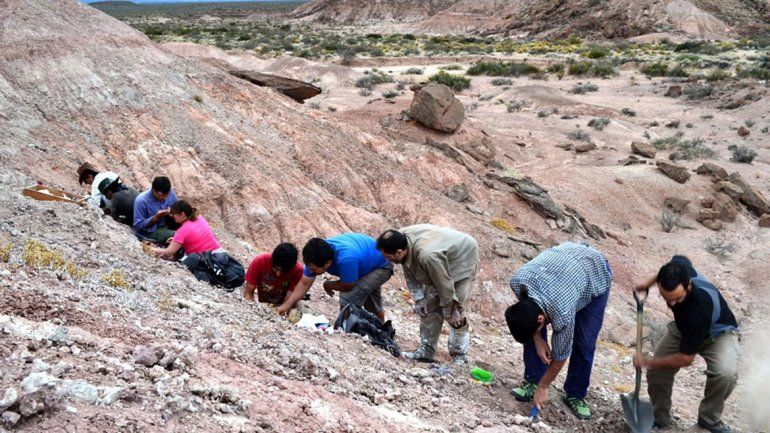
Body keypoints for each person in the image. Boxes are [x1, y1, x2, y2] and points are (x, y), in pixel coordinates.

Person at [505, 241, 612, 420]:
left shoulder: (562, 312)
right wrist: (537, 339)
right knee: (526, 321)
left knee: (584, 341)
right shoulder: (519, 281)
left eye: (537, 325)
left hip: (594, 270)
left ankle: (575, 394)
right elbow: (528, 310)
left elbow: (561, 354)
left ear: (541, 320)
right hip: (562, 267)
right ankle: (533, 379)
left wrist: (545, 387)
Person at [633, 256, 739, 433]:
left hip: (718, 334)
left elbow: (685, 359)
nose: (672, 303)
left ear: (689, 285)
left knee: (725, 373)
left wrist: (647, 361)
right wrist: (646, 284)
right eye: (666, 299)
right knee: (657, 374)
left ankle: (708, 419)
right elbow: (665, 269)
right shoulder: (678, 269)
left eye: (676, 299)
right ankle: (659, 417)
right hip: (683, 329)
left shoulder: (699, 308)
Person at [376, 224, 478, 365]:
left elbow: (443, 283)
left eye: (389, 257)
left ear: (399, 252)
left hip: (462, 256)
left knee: (456, 314)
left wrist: (450, 308)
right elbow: (409, 266)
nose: (388, 260)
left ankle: (459, 356)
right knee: (429, 307)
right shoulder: (398, 238)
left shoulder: (428, 256)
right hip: (439, 252)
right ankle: (426, 351)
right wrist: (419, 298)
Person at [275, 233, 393, 321]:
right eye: (309, 267)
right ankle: (382, 328)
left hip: (382, 265)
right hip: (367, 260)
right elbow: (304, 283)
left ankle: (346, 329)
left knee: (348, 297)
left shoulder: (345, 259)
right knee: (370, 299)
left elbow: (348, 286)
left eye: (314, 269)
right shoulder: (316, 255)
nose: (311, 271)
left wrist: (328, 284)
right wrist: (286, 305)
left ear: (327, 263)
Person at [151, 200, 220, 260]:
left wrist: (149, 249)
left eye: (174, 215)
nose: (174, 218)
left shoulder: (182, 230)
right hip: (218, 252)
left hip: (207, 259)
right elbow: (195, 236)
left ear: (182, 214)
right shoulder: (199, 217)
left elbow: (168, 252)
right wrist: (176, 241)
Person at [244, 243, 304, 307]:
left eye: (284, 272)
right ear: (272, 260)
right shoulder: (260, 261)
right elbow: (248, 293)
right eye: (276, 269)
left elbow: (288, 302)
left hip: (283, 304)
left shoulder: (298, 271)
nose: (278, 274)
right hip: (264, 304)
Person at [133, 176, 178, 244]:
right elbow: (138, 226)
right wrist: (156, 217)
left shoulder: (171, 193)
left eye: (166, 195)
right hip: (152, 231)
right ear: (153, 190)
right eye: (161, 195)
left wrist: (173, 212)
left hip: (169, 224)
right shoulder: (141, 201)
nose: (164, 198)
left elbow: (178, 209)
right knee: (179, 235)